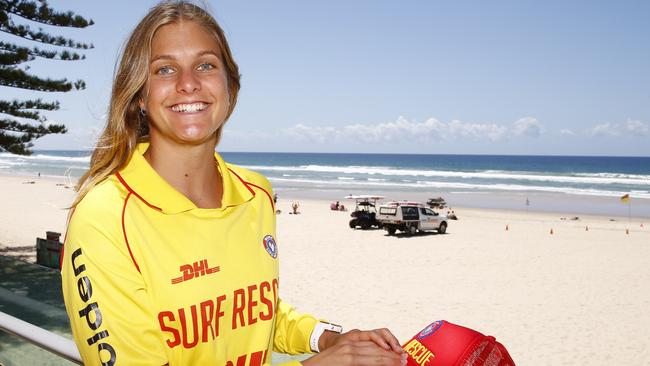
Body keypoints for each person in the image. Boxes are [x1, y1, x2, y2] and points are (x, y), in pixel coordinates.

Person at [60, 2, 405, 366]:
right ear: (141, 96)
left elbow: (250, 312)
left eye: (205, 65)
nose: (188, 83)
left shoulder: (255, 194)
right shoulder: (105, 218)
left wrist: (329, 338)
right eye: (165, 69)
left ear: (230, 86)